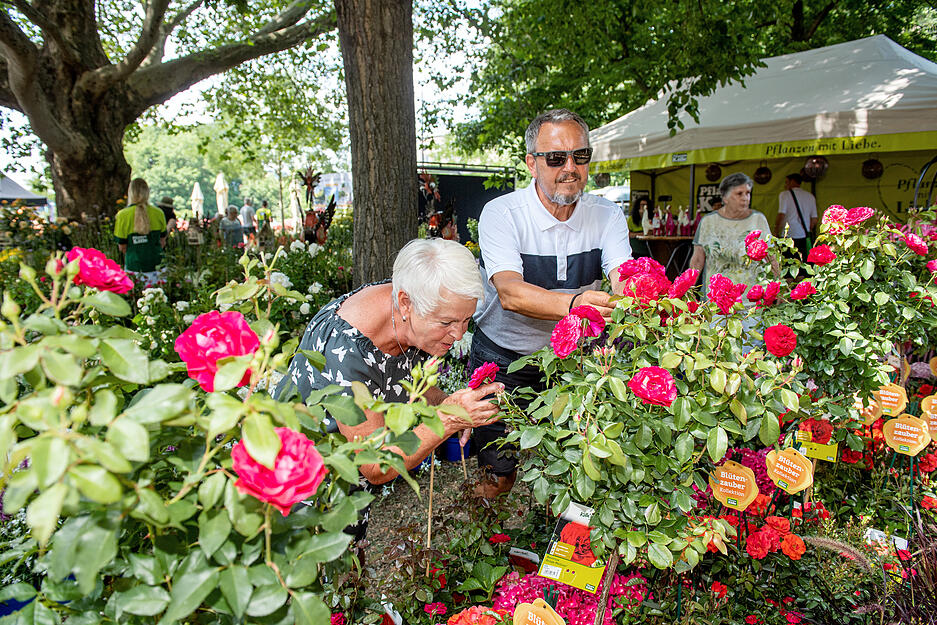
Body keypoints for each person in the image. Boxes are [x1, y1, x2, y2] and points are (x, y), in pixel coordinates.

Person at [274, 238, 502, 540]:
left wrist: (445, 401)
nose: (459, 334)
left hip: (347, 482)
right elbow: (375, 464)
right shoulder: (347, 352)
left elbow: (404, 378)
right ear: (406, 303)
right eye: (447, 322)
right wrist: (448, 418)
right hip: (303, 488)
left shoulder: (411, 307)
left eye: (466, 320)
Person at [469, 108, 632, 497]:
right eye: (556, 158)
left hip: (575, 360)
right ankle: (487, 526)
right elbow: (510, 293)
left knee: (576, 467)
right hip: (504, 357)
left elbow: (624, 279)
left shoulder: (608, 214)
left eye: (580, 156)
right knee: (499, 472)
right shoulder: (502, 213)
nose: (570, 168)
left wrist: (639, 297)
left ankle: (557, 532)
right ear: (531, 163)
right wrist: (577, 304)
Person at [689, 172, 772, 297]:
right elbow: (697, 260)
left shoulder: (758, 220)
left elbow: (771, 256)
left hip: (752, 298)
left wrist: (779, 287)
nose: (745, 198)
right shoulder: (708, 221)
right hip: (716, 299)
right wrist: (688, 290)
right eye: (739, 193)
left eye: (748, 193)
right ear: (725, 198)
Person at [113, 178, 167, 287]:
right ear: (147, 192)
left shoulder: (122, 215)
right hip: (157, 268)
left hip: (134, 268)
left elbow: (122, 247)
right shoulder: (159, 213)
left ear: (130, 193)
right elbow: (162, 242)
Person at [774, 173, 817, 259]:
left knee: (787, 263)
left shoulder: (784, 195)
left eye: (787, 182)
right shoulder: (810, 196)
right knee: (803, 262)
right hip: (804, 236)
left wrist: (776, 231)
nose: (785, 185)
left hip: (788, 235)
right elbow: (814, 219)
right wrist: (807, 229)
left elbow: (781, 214)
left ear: (792, 181)